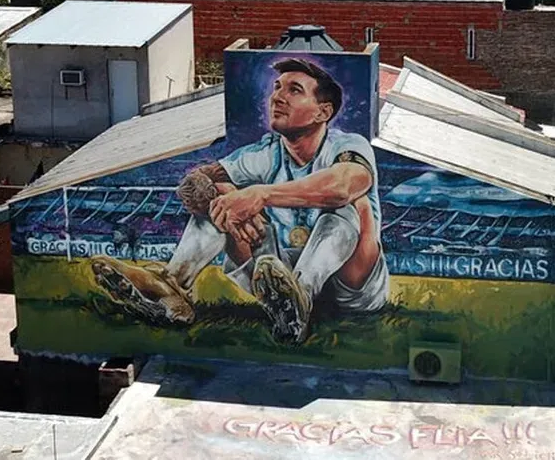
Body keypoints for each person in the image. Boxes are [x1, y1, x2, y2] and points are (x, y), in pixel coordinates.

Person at [91, 58, 388, 345]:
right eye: (276, 87)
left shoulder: (347, 145)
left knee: (348, 206)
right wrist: (228, 198)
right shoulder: (265, 152)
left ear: (322, 112)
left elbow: (344, 185)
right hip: (274, 278)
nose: (277, 97)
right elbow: (195, 181)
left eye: (293, 90)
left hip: (350, 287)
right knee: (221, 197)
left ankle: (301, 296)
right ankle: (171, 286)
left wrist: (259, 195)